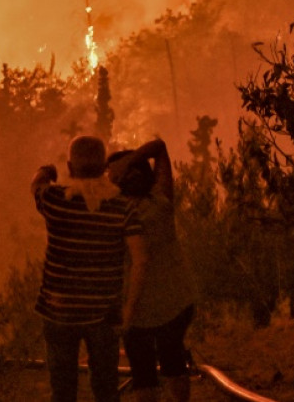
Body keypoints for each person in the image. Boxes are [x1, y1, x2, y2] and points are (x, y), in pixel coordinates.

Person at [31, 135, 149, 402]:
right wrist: (129, 310)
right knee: (106, 390)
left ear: (70, 168)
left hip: (58, 310)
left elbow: (36, 185)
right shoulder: (122, 207)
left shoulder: (54, 199)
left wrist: (46, 170)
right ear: (104, 169)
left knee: (62, 391)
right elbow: (141, 259)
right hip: (105, 315)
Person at [107, 138, 196, 402]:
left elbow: (159, 145)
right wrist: (130, 161)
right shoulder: (160, 199)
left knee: (147, 370)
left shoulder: (122, 210)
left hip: (145, 306)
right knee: (170, 360)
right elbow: (158, 146)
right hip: (169, 301)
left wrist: (108, 167)